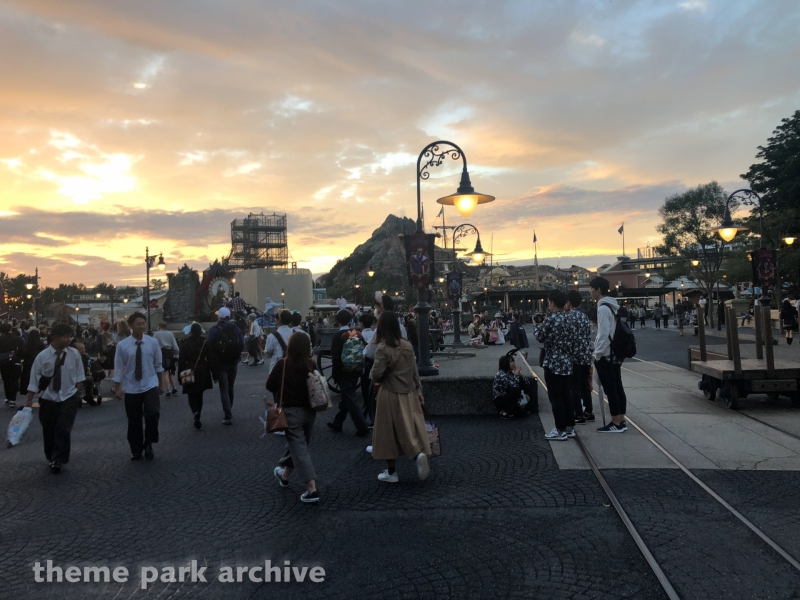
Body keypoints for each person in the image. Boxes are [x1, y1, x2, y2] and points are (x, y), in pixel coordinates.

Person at [370, 311, 431, 483]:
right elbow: (414, 371)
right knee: (410, 428)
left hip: (389, 393)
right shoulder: (408, 346)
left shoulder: (383, 348)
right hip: (409, 393)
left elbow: (376, 373)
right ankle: (418, 453)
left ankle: (391, 472)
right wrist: (419, 391)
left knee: (387, 433)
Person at [25, 323, 84, 474]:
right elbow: (34, 379)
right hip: (48, 397)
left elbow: (79, 375)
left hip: (69, 395)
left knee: (63, 428)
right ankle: (51, 455)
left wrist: (76, 392)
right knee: (49, 428)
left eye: (70, 336)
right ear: (55, 337)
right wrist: (29, 400)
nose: (68, 340)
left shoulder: (74, 354)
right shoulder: (42, 357)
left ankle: (59, 459)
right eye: (65, 336)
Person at [268, 332, 320, 503]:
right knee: (299, 445)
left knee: (300, 449)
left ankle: (312, 489)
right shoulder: (311, 364)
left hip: (290, 413)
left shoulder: (282, 364)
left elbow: (269, 385)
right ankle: (284, 476)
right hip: (310, 412)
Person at [113, 312, 166, 460]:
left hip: (150, 383)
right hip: (131, 386)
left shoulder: (152, 343)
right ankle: (136, 449)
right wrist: (117, 388)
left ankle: (149, 442)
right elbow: (118, 367)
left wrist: (160, 384)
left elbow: (158, 365)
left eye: (143, 323)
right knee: (134, 420)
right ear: (130, 326)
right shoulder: (122, 346)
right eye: (138, 323)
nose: (142, 326)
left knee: (152, 414)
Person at [533, 290, 576, 441]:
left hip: (553, 363)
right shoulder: (570, 319)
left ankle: (559, 430)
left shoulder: (550, 320)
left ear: (551, 303)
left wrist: (536, 325)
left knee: (555, 397)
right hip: (567, 363)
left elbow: (540, 337)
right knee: (566, 395)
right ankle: (570, 427)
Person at [590, 276, 628, 433]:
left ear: (598, 290)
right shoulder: (613, 305)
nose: (590, 291)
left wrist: (597, 353)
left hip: (606, 354)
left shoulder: (603, 308)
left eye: (592, 289)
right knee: (618, 387)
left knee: (610, 389)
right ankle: (621, 419)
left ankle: (615, 422)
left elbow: (603, 333)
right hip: (615, 353)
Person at [327, 309, 370, 437]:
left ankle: (362, 427)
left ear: (337, 321)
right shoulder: (357, 334)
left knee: (350, 399)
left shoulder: (337, 336)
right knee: (347, 397)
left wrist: (336, 373)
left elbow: (335, 357)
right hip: (356, 369)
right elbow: (364, 349)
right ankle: (338, 422)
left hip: (343, 371)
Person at [207, 307, 245, 425]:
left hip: (220, 361)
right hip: (234, 361)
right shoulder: (236, 328)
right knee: (231, 386)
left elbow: (209, 345)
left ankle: (227, 414)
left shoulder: (214, 329)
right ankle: (229, 408)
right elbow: (242, 345)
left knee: (223, 388)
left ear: (219, 317)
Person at [566, 290, 594, 424]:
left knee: (574, 385)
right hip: (586, 355)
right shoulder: (584, 316)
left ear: (569, 303)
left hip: (575, 356)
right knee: (584, 383)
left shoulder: (569, 317)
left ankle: (578, 414)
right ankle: (589, 411)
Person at [178, 323, 213, 430]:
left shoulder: (184, 344)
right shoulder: (204, 342)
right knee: (200, 394)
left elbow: (181, 361)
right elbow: (211, 358)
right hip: (202, 369)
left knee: (191, 394)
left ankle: (195, 411)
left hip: (189, 369)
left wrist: (180, 375)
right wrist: (214, 373)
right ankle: (198, 412)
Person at [492, 353, 536, 419]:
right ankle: (504, 411)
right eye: (511, 362)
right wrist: (516, 374)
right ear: (505, 364)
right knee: (516, 390)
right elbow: (513, 386)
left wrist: (520, 375)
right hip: (501, 399)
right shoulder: (500, 374)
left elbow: (527, 384)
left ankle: (521, 409)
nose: (513, 363)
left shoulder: (511, 373)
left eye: (513, 361)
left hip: (510, 398)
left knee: (524, 386)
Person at [18, 329, 45, 405]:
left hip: (27, 364)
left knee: (27, 378)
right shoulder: (41, 344)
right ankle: (39, 391)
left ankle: (28, 393)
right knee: (38, 378)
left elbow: (22, 354)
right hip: (38, 364)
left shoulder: (26, 344)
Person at [0, 322, 24, 407]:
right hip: (15, 361)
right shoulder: (17, 339)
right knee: (14, 380)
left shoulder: (1, 339)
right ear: (10, 329)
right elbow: (22, 350)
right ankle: (12, 399)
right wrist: (20, 359)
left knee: (6, 379)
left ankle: (7, 397)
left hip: (3, 361)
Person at [153, 323, 180, 397]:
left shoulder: (156, 334)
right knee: (170, 372)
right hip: (170, 354)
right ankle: (174, 388)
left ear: (159, 326)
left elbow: (154, 346)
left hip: (161, 354)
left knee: (165, 373)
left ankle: (168, 391)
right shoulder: (170, 333)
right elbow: (175, 346)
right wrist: (176, 354)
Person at [264, 310, 294, 375]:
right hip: (293, 368)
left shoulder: (272, 336)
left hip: (276, 368)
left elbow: (268, 352)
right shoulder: (296, 334)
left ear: (279, 321)